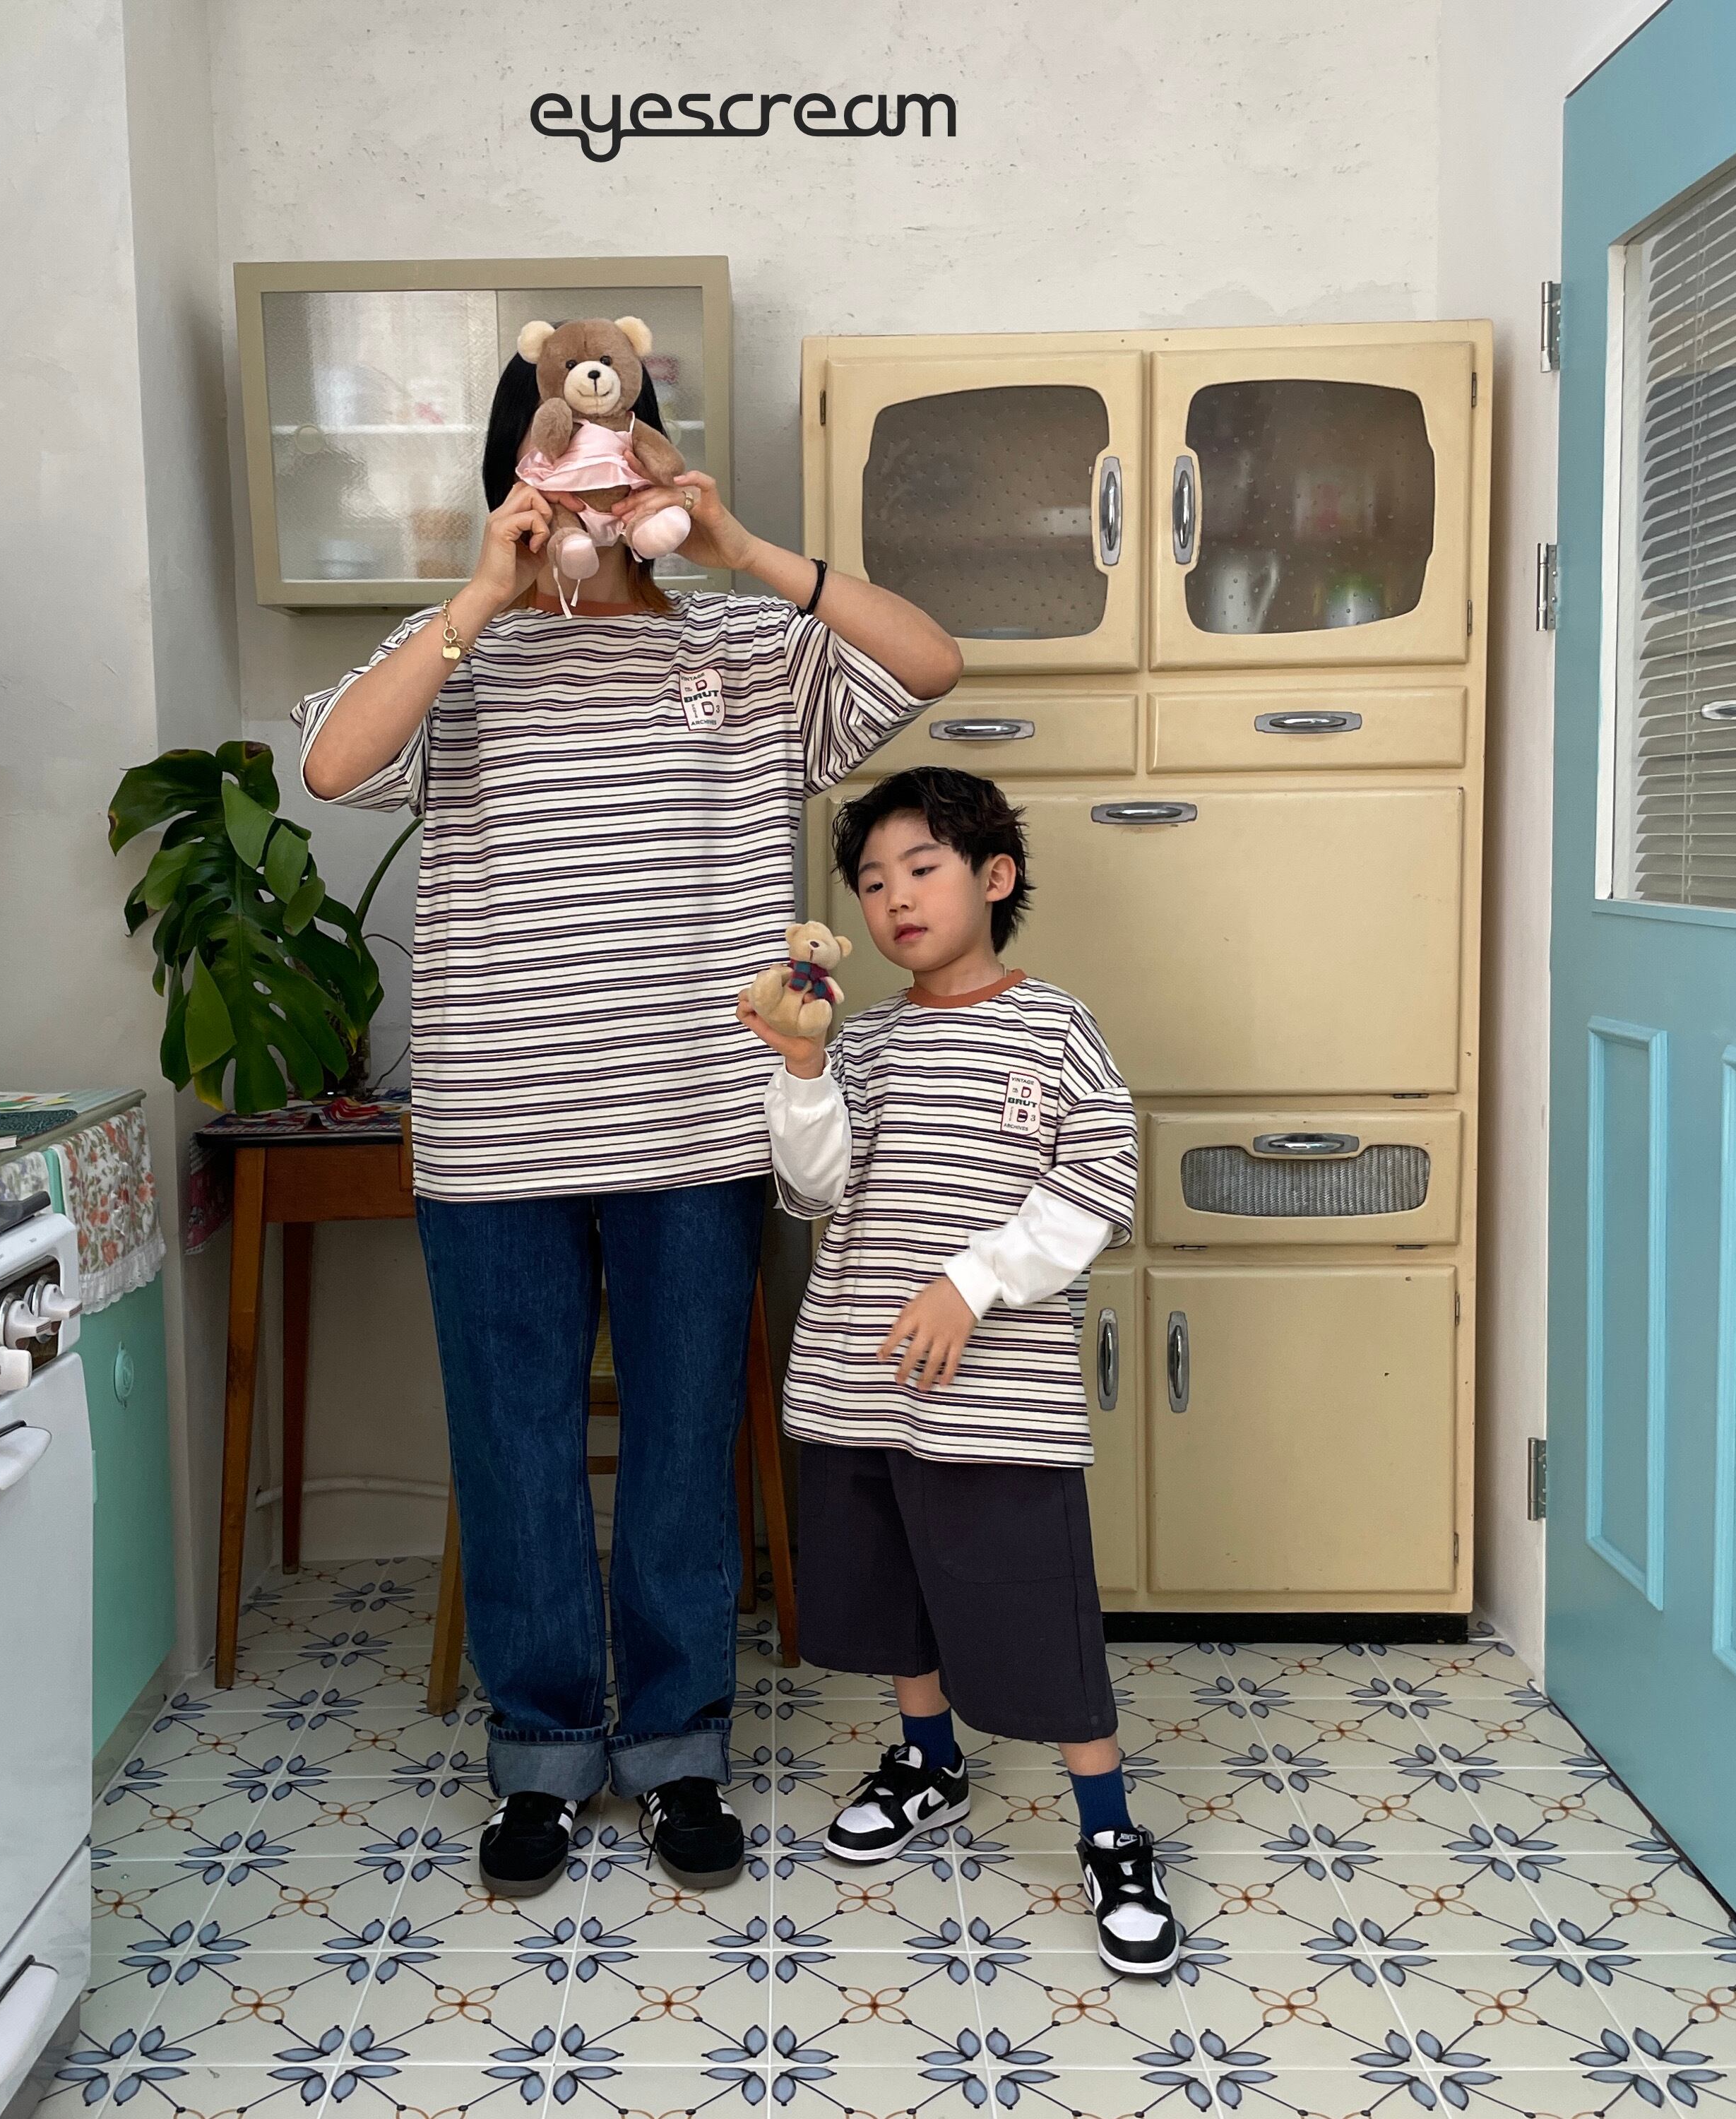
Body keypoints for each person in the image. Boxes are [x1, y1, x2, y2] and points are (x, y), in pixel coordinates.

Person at [294, 351, 961, 1899]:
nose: (596, 486)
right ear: (517, 483)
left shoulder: (743, 647)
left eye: (622, 455)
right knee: (514, 1451)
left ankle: (674, 1749)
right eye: (564, 460)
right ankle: (540, 1752)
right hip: (496, 1133)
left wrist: (741, 548)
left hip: (697, 1127)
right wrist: (480, 595)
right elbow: (331, 764)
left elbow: (931, 660)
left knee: (680, 1447)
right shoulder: (459, 655)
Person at [737, 766, 1183, 1976]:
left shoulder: (1056, 1027)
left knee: (1034, 1606)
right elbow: (813, 1191)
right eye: (872, 881)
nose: (895, 898)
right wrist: (802, 1070)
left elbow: (1099, 1183)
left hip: (1000, 1395)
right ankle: (927, 1761)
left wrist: (972, 1282)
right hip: (861, 1377)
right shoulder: (862, 1041)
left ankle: (1109, 1831)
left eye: (921, 870)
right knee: (897, 1591)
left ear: (995, 877)